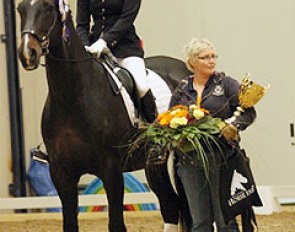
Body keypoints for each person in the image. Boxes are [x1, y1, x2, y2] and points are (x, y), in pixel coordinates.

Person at [168, 38, 257, 232]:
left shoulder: (226, 84)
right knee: (199, 221)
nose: (211, 61)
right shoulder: (182, 89)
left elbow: (249, 112)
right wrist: (175, 135)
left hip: (222, 158)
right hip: (189, 161)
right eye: (205, 57)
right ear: (192, 62)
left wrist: (235, 127)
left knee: (225, 220)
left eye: (213, 56)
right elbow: (170, 117)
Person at [76, 0, 157, 122]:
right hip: (94, 49)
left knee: (141, 87)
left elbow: (127, 19)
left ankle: (153, 128)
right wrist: (85, 46)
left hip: (125, 47)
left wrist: (105, 41)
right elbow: (81, 24)